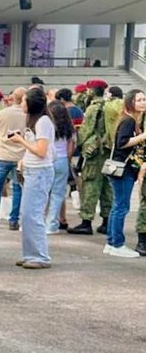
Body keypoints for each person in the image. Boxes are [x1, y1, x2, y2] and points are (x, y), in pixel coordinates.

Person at [8, 88, 54, 269]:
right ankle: (31, 253)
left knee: (33, 214)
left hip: (39, 172)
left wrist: (21, 141)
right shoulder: (35, 120)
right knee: (27, 214)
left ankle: (40, 256)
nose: (21, 104)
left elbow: (41, 151)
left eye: (23, 101)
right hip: (32, 170)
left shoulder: (42, 122)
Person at [104, 89, 146, 258]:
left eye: (144, 99)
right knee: (121, 207)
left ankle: (111, 243)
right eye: (139, 100)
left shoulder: (130, 119)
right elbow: (122, 142)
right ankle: (117, 244)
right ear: (130, 102)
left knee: (117, 206)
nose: (143, 103)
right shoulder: (128, 121)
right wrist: (143, 136)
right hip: (122, 169)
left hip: (121, 169)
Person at [68, 79, 112, 235]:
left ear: (92, 90)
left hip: (95, 153)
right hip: (108, 151)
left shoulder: (94, 108)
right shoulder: (109, 105)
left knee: (91, 185)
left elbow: (86, 130)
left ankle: (86, 221)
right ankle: (107, 222)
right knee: (107, 187)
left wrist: (80, 145)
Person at [0, 87, 26, 231]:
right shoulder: (28, 115)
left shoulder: (3, 113)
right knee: (17, 188)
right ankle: (14, 220)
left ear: (12, 98)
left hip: (3, 154)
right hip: (20, 156)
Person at [45, 100, 75, 235]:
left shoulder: (47, 126)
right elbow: (70, 148)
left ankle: (41, 221)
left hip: (48, 159)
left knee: (44, 192)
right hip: (62, 160)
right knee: (58, 194)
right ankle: (52, 224)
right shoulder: (69, 128)